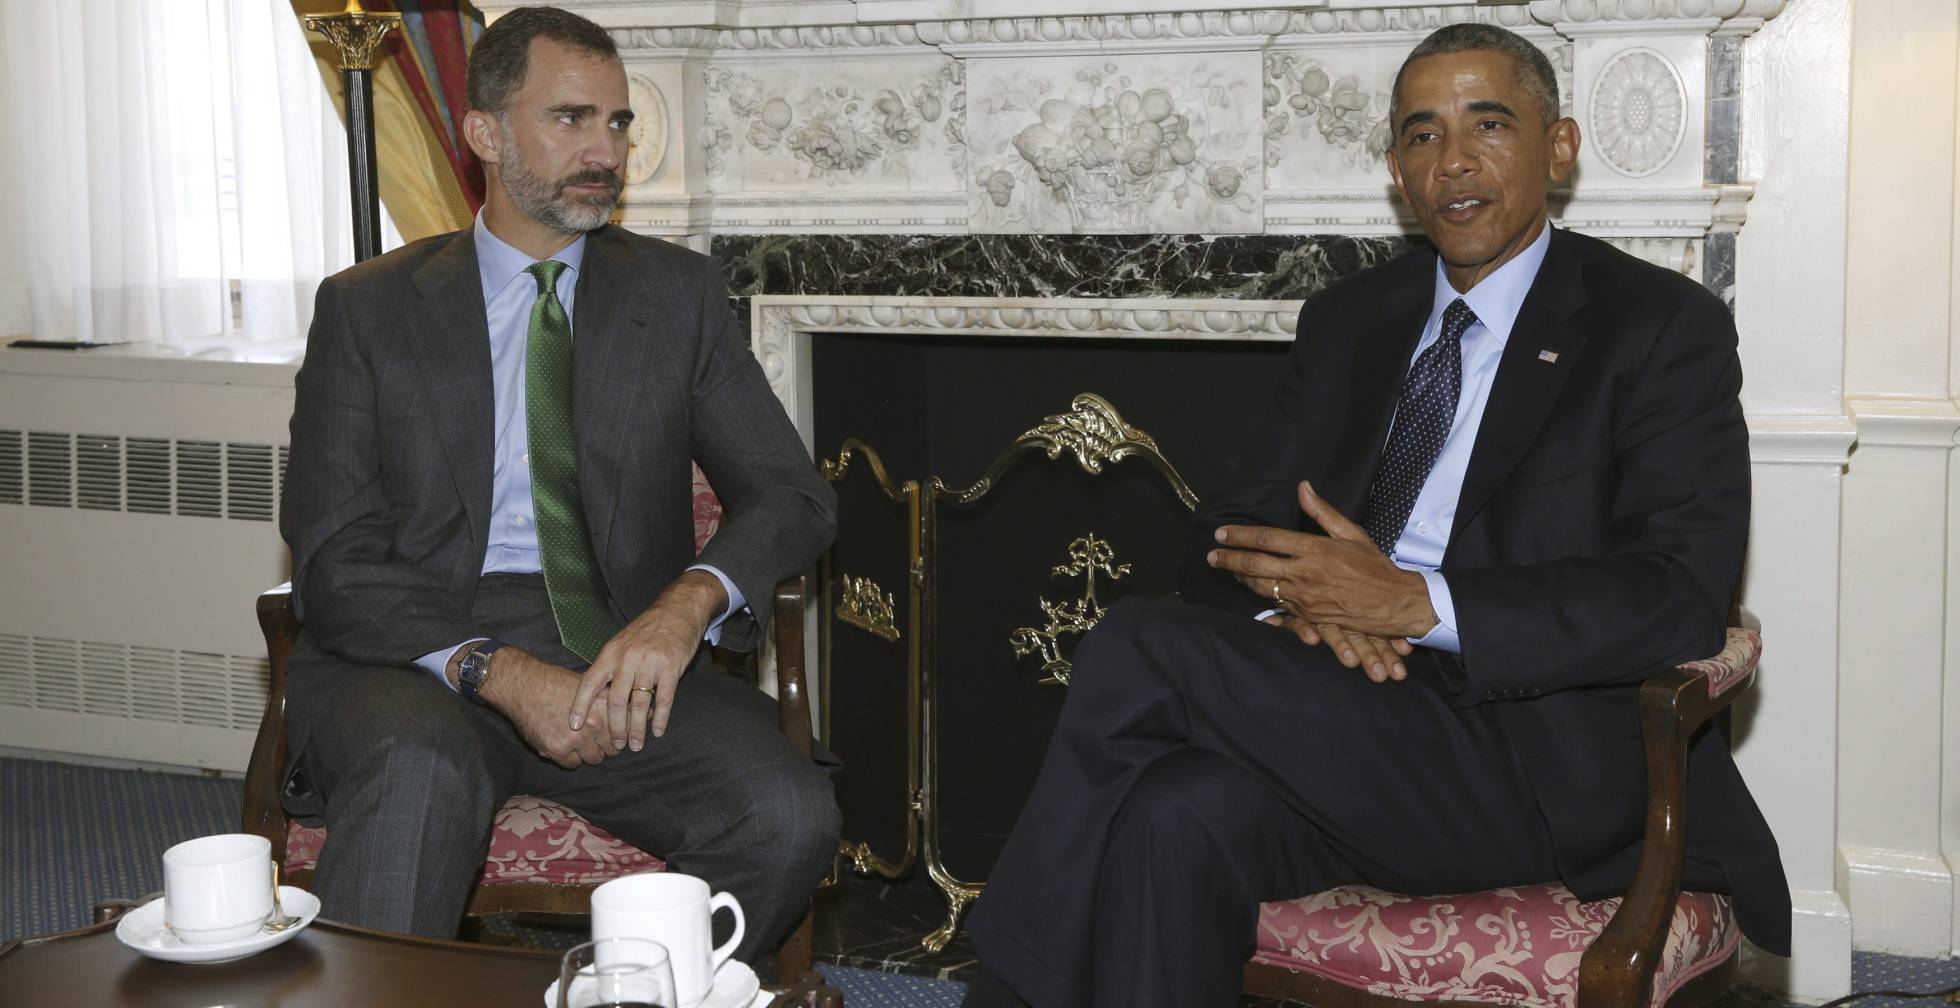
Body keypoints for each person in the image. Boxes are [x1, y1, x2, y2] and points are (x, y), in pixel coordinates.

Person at [961, 23, 1789, 1008]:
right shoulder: (1352, 320)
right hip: (1337, 718)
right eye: (1421, 136)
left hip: (1527, 766)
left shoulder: (1656, 327)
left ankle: (998, 991)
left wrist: (1414, 603)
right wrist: (1301, 603)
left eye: (1489, 123)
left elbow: (1677, 596)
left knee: (1138, 645)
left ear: (1557, 147)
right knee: (1173, 814)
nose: (1455, 162)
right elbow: (1225, 529)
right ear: (1396, 171)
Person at [277, 5, 839, 957]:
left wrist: (685, 607)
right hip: (422, 657)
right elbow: (336, 556)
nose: (606, 150)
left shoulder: (675, 297)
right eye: (571, 119)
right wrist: (497, 668)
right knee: (420, 776)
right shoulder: (368, 309)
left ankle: (631, 987)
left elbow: (795, 492)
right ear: (486, 134)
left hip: (616, 650)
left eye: (618, 123)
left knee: (787, 813)